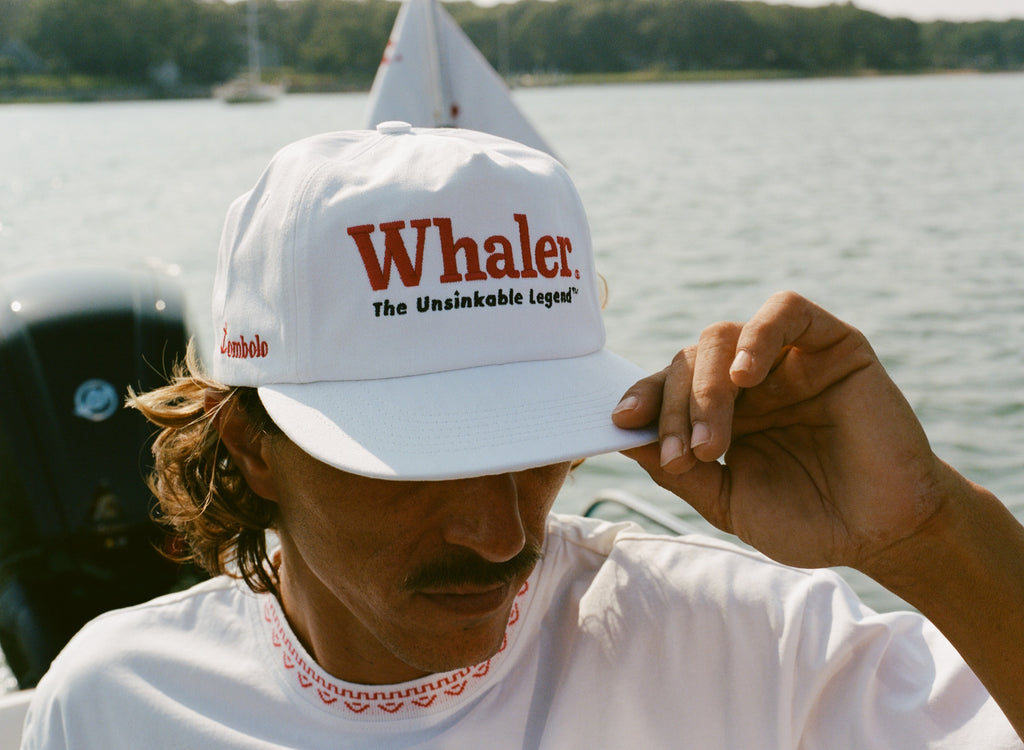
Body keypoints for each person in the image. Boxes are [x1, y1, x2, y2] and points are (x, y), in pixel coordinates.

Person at [21, 123, 1024, 748]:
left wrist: (926, 532)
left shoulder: (750, 648)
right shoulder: (117, 704)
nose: (500, 533)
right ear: (248, 444)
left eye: (538, 442)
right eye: (417, 463)